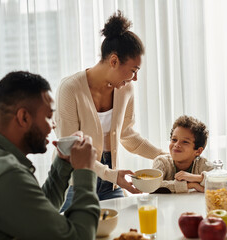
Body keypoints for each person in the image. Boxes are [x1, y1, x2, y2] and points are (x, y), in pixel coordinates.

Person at [0, 71, 100, 240]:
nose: (54, 125)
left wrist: (63, 162)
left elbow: (37, 215)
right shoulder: (5, 174)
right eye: (48, 116)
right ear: (23, 117)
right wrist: (84, 170)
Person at [55, 10, 165, 211]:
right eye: (133, 71)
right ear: (114, 61)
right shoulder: (70, 89)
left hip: (111, 184)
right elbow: (70, 148)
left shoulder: (126, 90)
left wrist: (163, 156)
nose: (135, 78)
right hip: (79, 184)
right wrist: (110, 174)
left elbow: (127, 135)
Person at [152, 115, 214, 193]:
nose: (176, 144)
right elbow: (152, 185)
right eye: (174, 140)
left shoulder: (202, 163)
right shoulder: (161, 162)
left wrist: (198, 178)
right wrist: (191, 185)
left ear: (198, 151)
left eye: (185, 142)